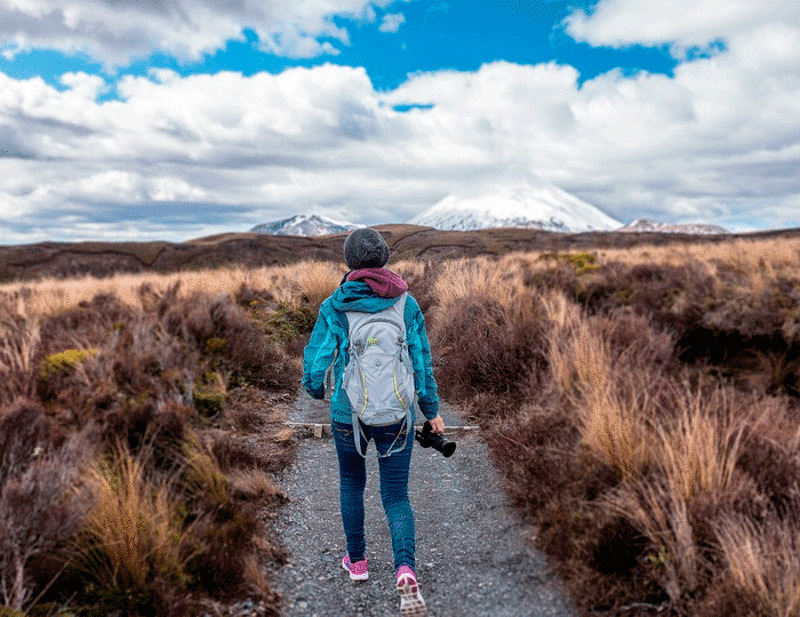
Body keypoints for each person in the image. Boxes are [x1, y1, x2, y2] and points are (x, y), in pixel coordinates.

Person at [303, 227, 443, 617]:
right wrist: (431, 410)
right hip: (398, 414)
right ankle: (405, 569)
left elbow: (317, 360)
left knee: (352, 482)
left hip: (349, 413)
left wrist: (315, 390)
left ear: (350, 263)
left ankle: (358, 563)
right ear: (383, 259)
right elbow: (421, 362)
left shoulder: (334, 305)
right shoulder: (407, 304)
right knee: (396, 495)